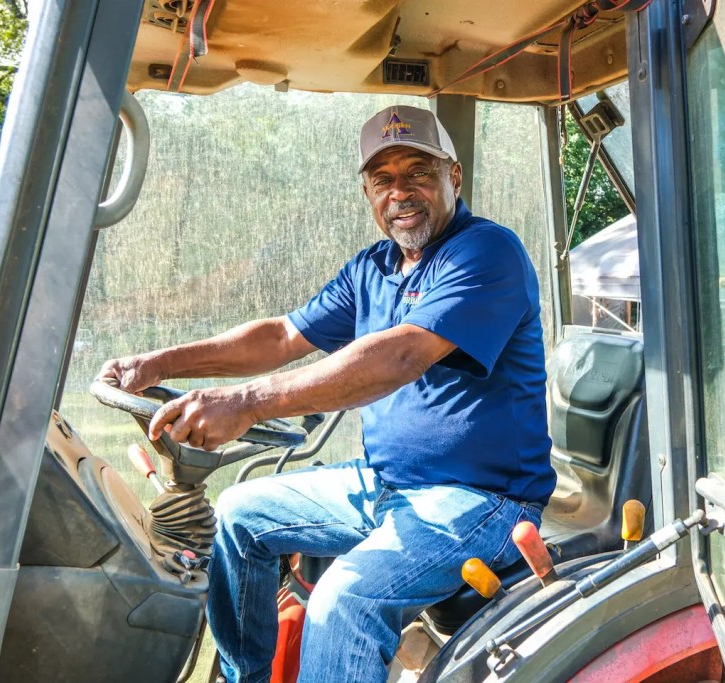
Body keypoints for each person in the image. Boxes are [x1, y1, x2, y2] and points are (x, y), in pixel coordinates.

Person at [100, 105, 555, 683]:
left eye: (418, 172)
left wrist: (246, 403)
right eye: (382, 180)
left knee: (345, 598)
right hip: (388, 484)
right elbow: (282, 336)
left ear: (453, 177)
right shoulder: (374, 267)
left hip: (482, 501)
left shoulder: (486, 251)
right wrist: (159, 362)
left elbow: (399, 355)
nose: (400, 192)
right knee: (240, 515)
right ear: (367, 191)